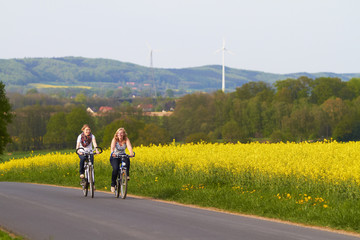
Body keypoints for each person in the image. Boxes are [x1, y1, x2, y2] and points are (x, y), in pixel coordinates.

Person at [109, 127, 134, 193]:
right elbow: (112, 147)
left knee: (127, 159)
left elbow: (129, 146)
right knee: (115, 169)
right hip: (115, 156)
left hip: (122, 155)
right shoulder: (115, 139)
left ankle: (127, 175)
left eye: (121, 133)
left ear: (124, 134)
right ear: (117, 134)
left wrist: (131, 153)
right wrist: (112, 153)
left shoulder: (126, 139)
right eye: (119, 133)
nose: (120, 134)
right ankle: (113, 185)